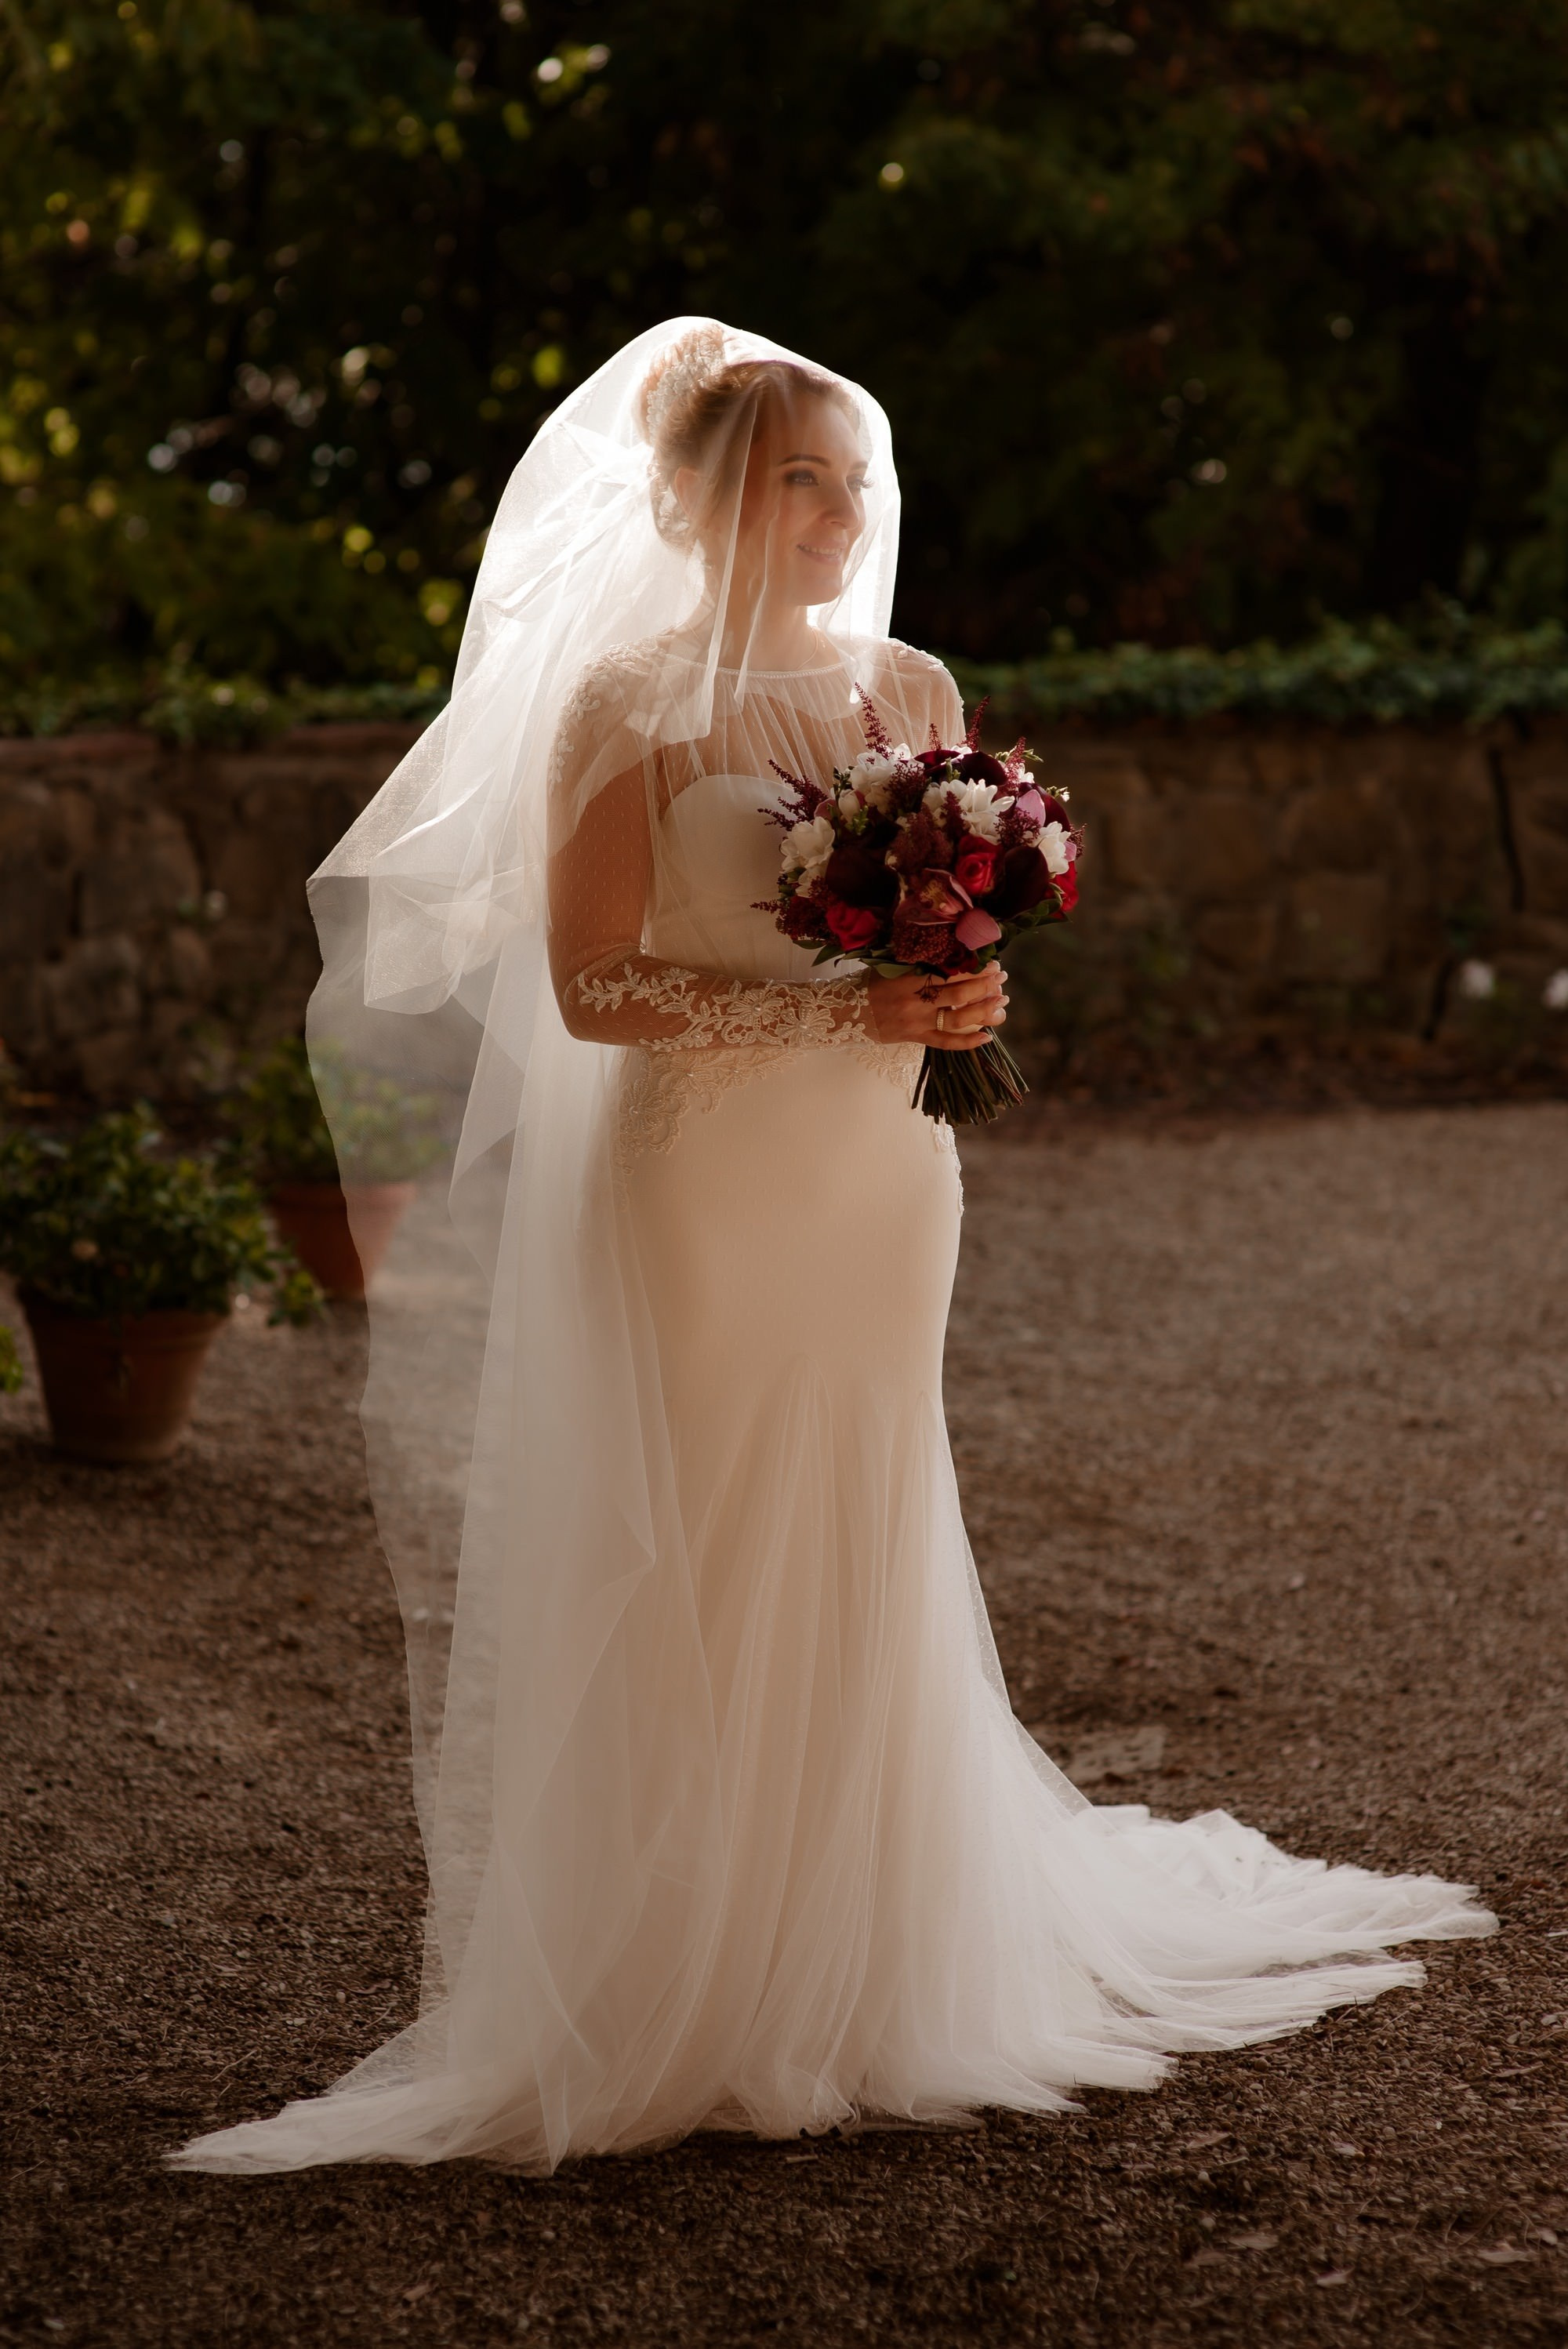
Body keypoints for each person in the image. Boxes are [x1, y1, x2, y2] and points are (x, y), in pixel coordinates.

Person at [171, 320, 1492, 2177]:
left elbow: (929, 924)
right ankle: (682, 1965)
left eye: (848, 476)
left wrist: (958, 983)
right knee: (700, 1518)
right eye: (803, 476)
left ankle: (865, 1951)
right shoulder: (624, 702)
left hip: (880, 1175)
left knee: (864, 1503)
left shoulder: (911, 679)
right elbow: (591, 985)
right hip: (703, 1175)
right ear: (703, 496)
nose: (840, 506)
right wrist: (832, 1022)